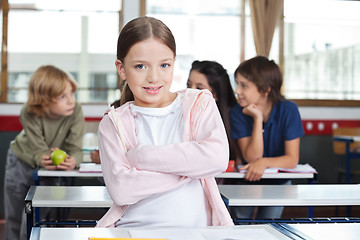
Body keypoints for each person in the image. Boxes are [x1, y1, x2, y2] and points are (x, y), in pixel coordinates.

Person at [96, 16, 233, 228]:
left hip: (195, 233)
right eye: (140, 66)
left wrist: (142, 157)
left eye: (164, 65)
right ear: (121, 69)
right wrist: (189, 171)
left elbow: (217, 159)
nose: (154, 77)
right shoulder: (113, 124)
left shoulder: (199, 103)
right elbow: (122, 190)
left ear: (174, 64)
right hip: (133, 231)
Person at [4, 65, 84, 240]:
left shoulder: (75, 111)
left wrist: (73, 160)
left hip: (47, 168)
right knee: (14, 217)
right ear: (44, 100)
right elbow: (39, 151)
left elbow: (76, 149)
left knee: (32, 217)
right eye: (63, 96)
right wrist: (45, 157)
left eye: (72, 93)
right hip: (20, 161)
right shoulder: (28, 112)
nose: (71, 100)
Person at [229, 56, 304, 219]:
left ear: (265, 89)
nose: (237, 91)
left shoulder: (289, 110)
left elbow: (292, 159)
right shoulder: (237, 112)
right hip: (247, 180)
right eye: (237, 84)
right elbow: (252, 157)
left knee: (269, 224)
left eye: (244, 86)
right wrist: (257, 119)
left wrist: (264, 163)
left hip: (278, 183)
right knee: (239, 224)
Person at [187, 60, 239, 164]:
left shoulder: (235, 118)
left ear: (215, 94)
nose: (190, 92)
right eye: (188, 85)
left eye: (199, 88)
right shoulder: (184, 114)